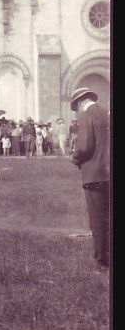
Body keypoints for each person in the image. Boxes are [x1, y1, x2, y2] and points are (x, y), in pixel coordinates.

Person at [69, 87, 110, 268]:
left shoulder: (86, 115)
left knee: (97, 218)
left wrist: (75, 157)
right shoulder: (106, 113)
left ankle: (102, 258)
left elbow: (85, 145)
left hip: (94, 174)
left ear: (80, 102)